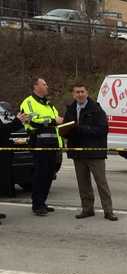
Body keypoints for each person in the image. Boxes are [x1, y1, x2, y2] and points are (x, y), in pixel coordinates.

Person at [62, 83, 117, 221]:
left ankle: (108, 211)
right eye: (77, 92)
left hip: (94, 153)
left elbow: (102, 130)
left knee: (101, 183)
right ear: (73, 94)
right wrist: (64, 131)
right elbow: (67, 129)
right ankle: (87, 209)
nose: (80, 94)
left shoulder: (96, 109)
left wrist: (81, 129)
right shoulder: (70, 110)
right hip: (77, 152)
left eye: (82, 91)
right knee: (83, 183)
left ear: (87, 93)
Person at [19, 77, 62, 216]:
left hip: (52, 145)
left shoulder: (48, 104)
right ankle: (37, 205)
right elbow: (33, 122)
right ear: (35, 86)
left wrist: (59, 121)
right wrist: (52, 121)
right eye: (44, 84)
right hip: (39, 144)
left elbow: (58, 119)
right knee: (40, 175)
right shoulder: (29, 102)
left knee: (49, 175)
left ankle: (42, 202)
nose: (47, 86)